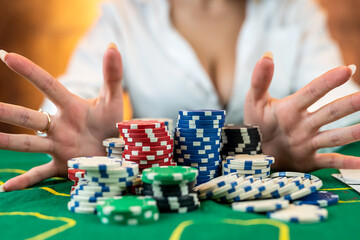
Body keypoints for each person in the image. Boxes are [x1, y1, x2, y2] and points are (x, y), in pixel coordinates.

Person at [1, 0, 360, 192]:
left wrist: (291, 137)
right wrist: (83, 135)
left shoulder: (294, 8)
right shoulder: (124, 12)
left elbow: (343, 103)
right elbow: (70, 96)